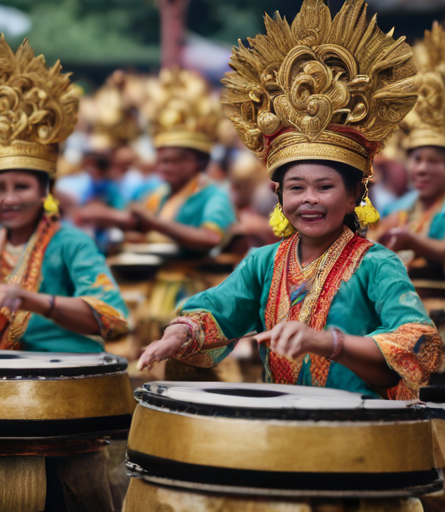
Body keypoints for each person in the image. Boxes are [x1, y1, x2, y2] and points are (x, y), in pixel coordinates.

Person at [138, 0, 444, 400]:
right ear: (278, 195)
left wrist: (328, 343)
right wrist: (179, 333)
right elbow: (216, 308)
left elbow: (418, 345)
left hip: (365, 435)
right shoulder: (264, 262)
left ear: (356, 194)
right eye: (296, 187)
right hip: (284, 430)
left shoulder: (376, 264)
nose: (310, 200)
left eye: (325, 187)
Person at [0, 35, 128, 353]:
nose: (9, 199)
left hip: (70, 380)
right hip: (6, 374)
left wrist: (33, 300)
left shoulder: (72, 244)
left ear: (45, 192)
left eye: (21, 186)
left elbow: (114, 319)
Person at [74, 68, 236, 256]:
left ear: (200, 161)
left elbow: (211, 238)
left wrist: (155, 224)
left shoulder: (214, 195)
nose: (166, 167)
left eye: (176, 160)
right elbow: (137, 222)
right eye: (162, 160)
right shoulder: (159, 194)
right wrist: (106, 216)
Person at [376, 23, 445, 271]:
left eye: (434, 161)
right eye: (417, 159)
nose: (423, 169)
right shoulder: (397, 208)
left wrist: (411, 240)